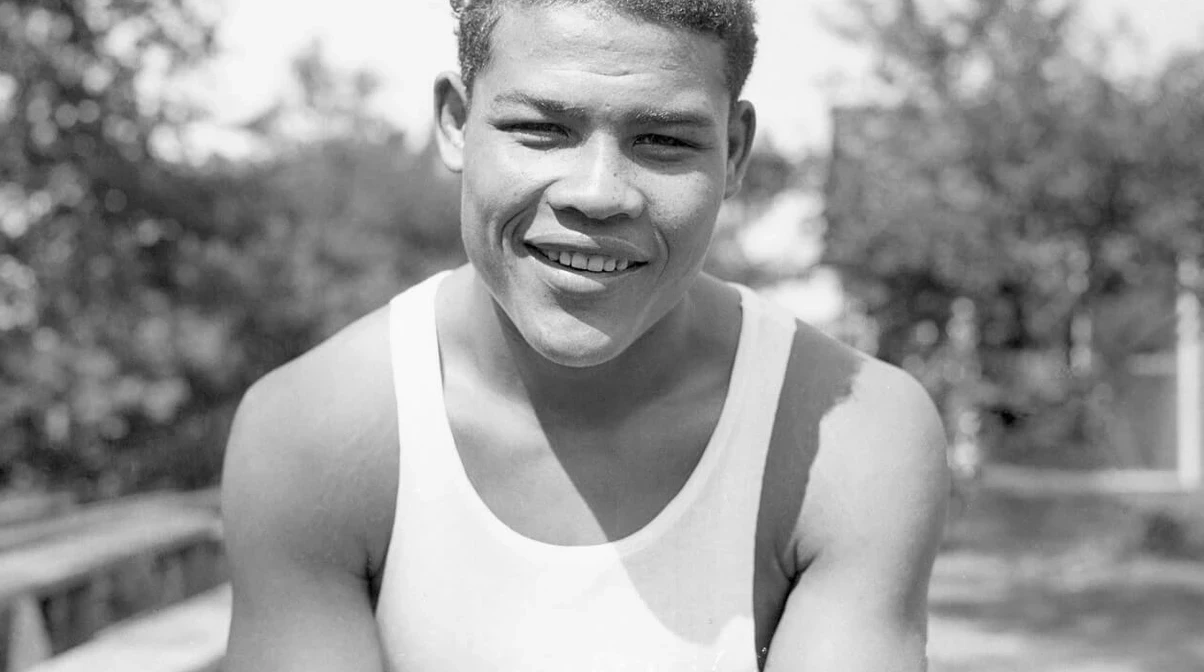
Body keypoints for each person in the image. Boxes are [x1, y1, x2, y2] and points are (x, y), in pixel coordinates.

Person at [220, 0, 950, 670]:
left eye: (662, 139)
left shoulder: (852, 441)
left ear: (732, 152)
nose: (597, 192)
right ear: (454, 122)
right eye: (541, 130)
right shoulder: (317, 436)